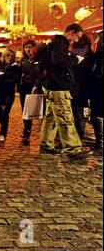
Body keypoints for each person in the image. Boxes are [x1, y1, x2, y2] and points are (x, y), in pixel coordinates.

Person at [39, 29, 88, 160]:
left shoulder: (54, 43)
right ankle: (73, 149)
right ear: (72, 32)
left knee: (51, 117)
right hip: (58, 87)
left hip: (51, 86)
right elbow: (59, 61)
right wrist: (75, 59)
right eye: (77, 37)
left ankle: (46, 144)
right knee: (65, 117)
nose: (77, 40)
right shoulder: (60, 43)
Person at [66, 24, 92, 140]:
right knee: (76, 111)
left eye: (69, 35)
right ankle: (76, 138)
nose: (69, 38)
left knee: (77, 111)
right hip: (77, 83)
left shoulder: (83, 47)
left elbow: (75, 62)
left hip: (79, 84)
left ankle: (78, 138)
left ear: (74, 33)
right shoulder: (80, 45)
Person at [0, 49, 21, 143]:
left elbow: (15, 80)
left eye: (11, 56)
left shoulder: (16, 67)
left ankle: (3, 133)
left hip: (9, 93)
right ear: (4, 56)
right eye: (8, 56)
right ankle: (4, 126)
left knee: (5, 113)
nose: (9, 58)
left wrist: (3, 77)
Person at [18, 39, 40, 145]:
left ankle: (28, 130)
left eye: (30, 47)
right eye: (26, 47)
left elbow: (40, 73)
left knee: (31, 110)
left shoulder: (37, 59)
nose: (27, 49)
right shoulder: (23, 59)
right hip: (24, 87)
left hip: (33, 87)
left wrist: (36, 84)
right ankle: (26, 129)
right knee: (24, 109)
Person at [85, 31, 103, 154]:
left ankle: (100, 144)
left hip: (99, 87)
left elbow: (98, 72)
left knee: (96, 114)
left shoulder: (99, 54)